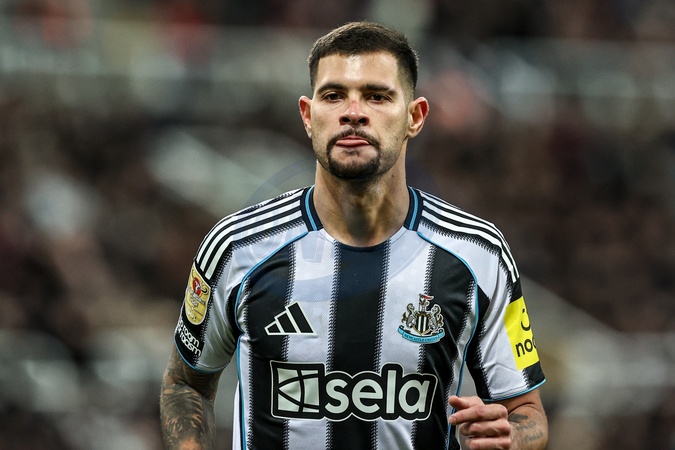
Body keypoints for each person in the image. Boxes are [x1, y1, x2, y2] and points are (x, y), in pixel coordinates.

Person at [160, 21, 548, 450]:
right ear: (308, 116)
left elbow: (526, 412)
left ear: (415, 117)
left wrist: (511, 437)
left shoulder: (479, 254)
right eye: (333, 95)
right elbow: (185, 384)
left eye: (377, 96)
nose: (353, 112)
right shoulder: (237, 247)